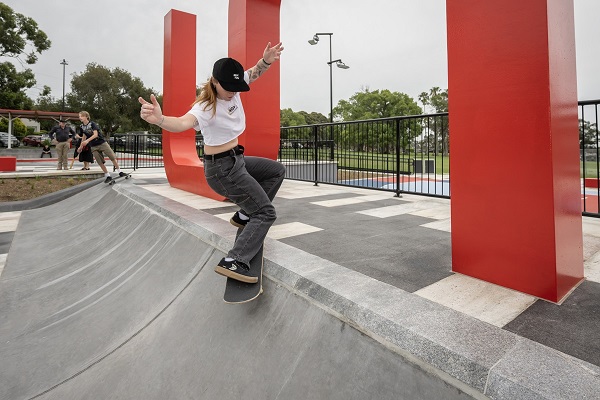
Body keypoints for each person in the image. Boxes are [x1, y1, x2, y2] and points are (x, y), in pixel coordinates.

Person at [139, 42, 286, 284]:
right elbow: (182, 123)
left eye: (235, 87)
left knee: (275, 171)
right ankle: (235, 260)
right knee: (266, 213)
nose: (232, 92)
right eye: (227, 88)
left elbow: (254, 73)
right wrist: (160, 119)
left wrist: (267, 60)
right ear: (215, 82)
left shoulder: (235, 86)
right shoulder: (205, 107)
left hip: (236, 160)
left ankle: (244, 216)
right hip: (222, 171)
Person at [77, 111, 126, 183]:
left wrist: (87, 141)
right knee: (99, 161)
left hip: (102, 143)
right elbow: (84, 136)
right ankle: (107, 175)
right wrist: (80, 146)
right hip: (93, 146)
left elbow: (95, 134)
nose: (80, 118)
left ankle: (120, 171)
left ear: (86, 117)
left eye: (81, 116)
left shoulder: (92, 124)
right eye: (79, 116)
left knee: (112, 157)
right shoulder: (82, 127)